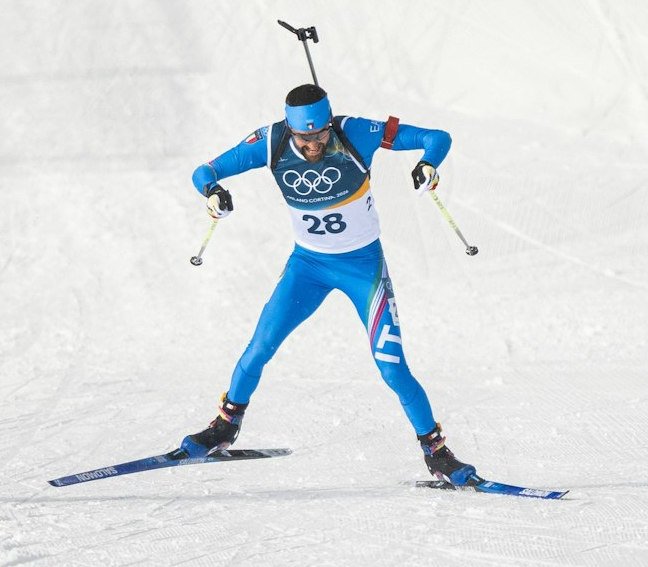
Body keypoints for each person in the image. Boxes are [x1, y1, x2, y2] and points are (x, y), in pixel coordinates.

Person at [180, 83, 477, 484]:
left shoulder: (355, 132)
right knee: (260, 346)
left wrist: (429, 163)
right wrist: (213, 191)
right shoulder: (271, 142)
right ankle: (225, 427)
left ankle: (438, 454)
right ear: (291, 128)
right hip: (308, 266)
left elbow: (436, 137)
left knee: (391, 368)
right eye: (305, 137)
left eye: (321, 134)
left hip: (362, 268)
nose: (314, 144)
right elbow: (205, 170)